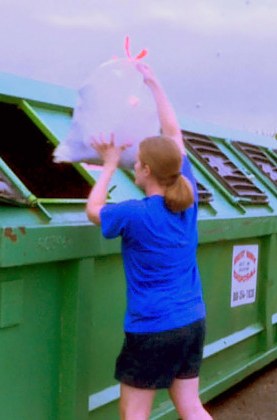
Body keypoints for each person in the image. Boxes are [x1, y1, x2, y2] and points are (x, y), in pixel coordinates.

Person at [86, 62, 213, 420]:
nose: (134, 166)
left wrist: (109, 163)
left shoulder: (134, 214)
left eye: (136, 163)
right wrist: (155, 84)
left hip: (152, 329)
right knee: (190, 405)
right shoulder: (186, 199)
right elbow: (174, 133)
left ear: (144, 170)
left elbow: (94, 210)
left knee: (134, 413)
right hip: (191, 320)